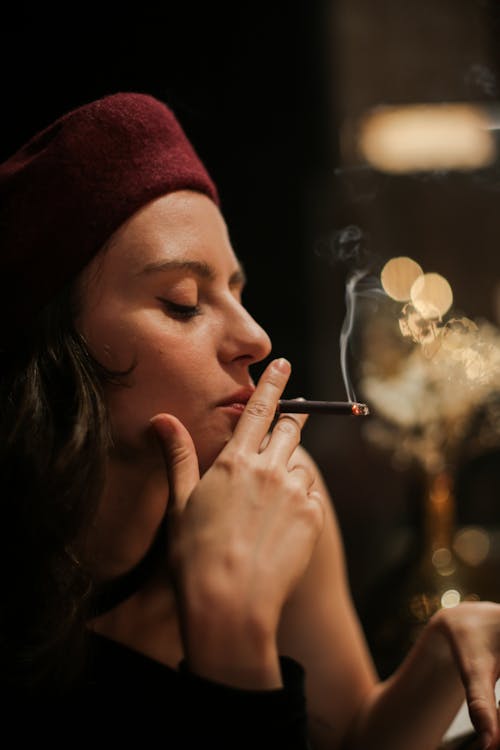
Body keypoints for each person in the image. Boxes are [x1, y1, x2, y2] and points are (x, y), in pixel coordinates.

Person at [0, 91, 499, 749]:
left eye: (235, 291)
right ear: (57, 346)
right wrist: (230, 625)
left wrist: (436, 658)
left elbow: (345, 739)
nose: (256, 338)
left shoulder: (273, 494)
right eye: (182, 303)